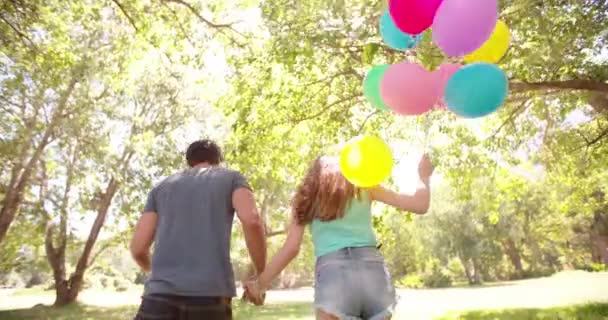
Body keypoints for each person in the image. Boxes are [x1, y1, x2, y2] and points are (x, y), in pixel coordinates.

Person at [244, 154, 434, 320]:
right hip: (373, 272)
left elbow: (291, 248)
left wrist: (260, 284)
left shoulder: (306, 198)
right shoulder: (363, 186)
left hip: (334, 274)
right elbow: (419, 205)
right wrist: (423, 177)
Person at [130, 139, 267, 320]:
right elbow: (252, 221)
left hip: (158, 298)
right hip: (210, 297)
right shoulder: (231, 178)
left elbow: (138, 249)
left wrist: (157, 274)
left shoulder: (161, 188)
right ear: (218, 160)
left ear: (189, 161)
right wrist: (260, 274)